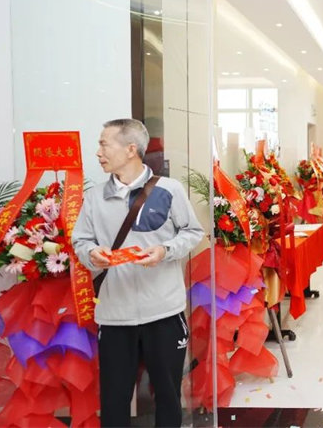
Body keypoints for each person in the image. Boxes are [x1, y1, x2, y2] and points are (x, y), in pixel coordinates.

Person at [72, 119, 204, 427]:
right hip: (115, 317)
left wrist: (165, 251)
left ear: (131, 149)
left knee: (168, 396)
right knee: (114, 400)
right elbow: (81, 241)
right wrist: (92, 255)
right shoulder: (95, 197)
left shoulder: (169, 189)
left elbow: (192, 232)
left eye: (104, 144)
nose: (98, 152)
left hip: (164, 313)